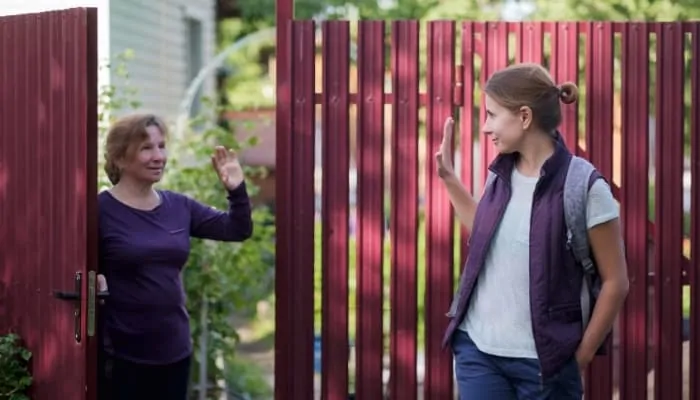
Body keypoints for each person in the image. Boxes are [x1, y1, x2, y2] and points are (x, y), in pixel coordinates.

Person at [436, 63, 629, 399]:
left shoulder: (584, 186)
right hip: (479, 352)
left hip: (545, 367)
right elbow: (488, 236)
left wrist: (578, 359)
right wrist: (449, 180)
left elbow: (616, 282)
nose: (485, 127)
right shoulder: (500, 174)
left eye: (493, 115)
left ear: (524, 117)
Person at [97, 113, 253, 400]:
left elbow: (237, 229)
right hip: (122, 357)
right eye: (146, 148)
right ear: (119, 158)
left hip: (174, 351)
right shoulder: (100, 211)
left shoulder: (178, 207)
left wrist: (236, 190)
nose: (158, 156)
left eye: (161, 146)